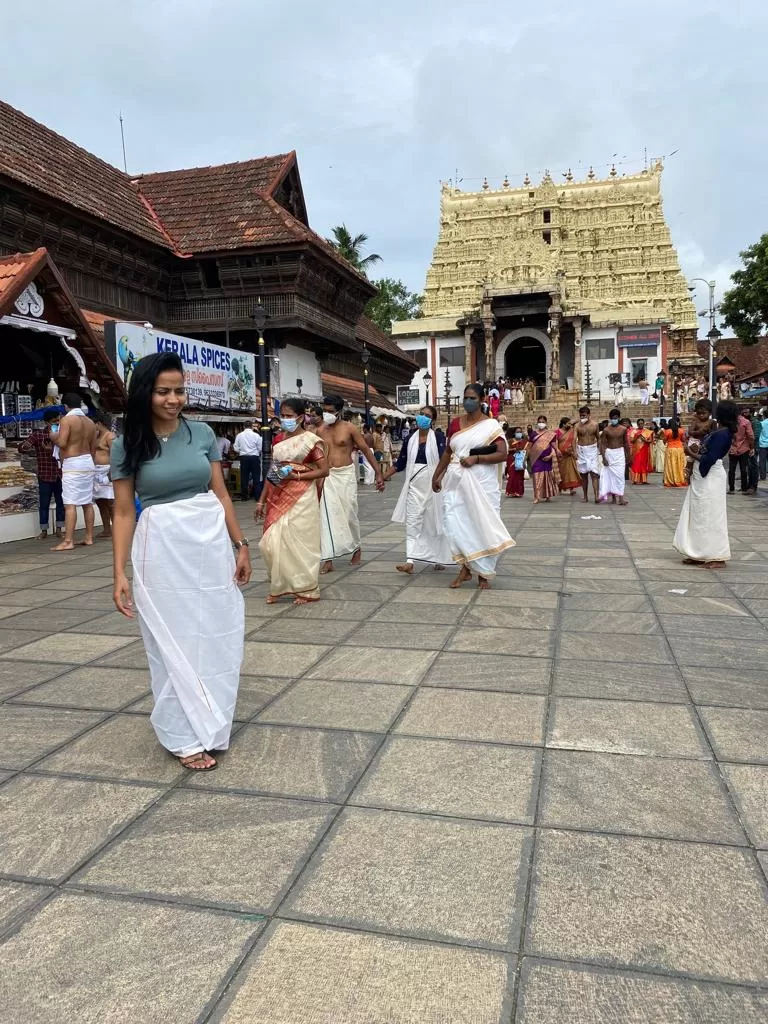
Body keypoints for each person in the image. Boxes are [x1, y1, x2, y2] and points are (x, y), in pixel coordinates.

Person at [111, 352, 250, 772]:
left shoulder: (203, 433)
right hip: (161, 550)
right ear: (145, 393)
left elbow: (222, 494)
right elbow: (123, 511)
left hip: (207, 546)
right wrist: (118, 571)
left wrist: (240, 544)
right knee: (170, 641)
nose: (174, 399)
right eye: (163, 391)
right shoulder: (127, 442)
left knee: (214, 633)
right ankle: (181, 733)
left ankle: (211, 719)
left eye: (179, 390)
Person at [431, 384, 514, 588]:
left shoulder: (491, 425)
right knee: (456, 523)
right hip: (457, 482)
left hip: (482, 482)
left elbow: (502, 454)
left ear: (482, 399)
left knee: (481, 524)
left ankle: (484, 574)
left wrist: (476, 458)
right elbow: (448, 453)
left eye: (473, 398)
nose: (468, 402)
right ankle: (466, 569)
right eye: (466, 398)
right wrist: (437, 475)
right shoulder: (456, 424)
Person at [255, 397, 329, 604]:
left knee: (299, 542)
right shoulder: (278, 440)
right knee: (271, 542)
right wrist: (261, 500)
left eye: (289, 416)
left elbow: (324, 470)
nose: (285, 420)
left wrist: (296, 476)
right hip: (280, 493)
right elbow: (275, 471)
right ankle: (279, 586)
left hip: (302, 495)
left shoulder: (310, 440)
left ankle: (306, 589)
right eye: (282, 416)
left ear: (299, 417)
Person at [317, 394, 384, 573]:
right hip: (327, 476)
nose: (326, 414)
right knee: (327, 516)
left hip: (345, 475)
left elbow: (366, 451)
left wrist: (378, 473)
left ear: (339, 411)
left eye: (330, 411)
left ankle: (356, 547)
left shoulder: (350, 428)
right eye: (324, 410)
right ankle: (328, 558)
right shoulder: (320, 430)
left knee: (348, 513)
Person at [386, 405, 451, 573]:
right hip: (414, 486)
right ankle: (410, 561)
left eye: (427, 415)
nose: (422, 417)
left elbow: (445, 461)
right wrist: (382, 476)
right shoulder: (410, 439)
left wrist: (439, 479)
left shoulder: (438, 437)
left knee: (435, 521)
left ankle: (438, 557)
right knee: (413, 521)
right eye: (421, 414)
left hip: (433, 485)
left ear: (433, 420)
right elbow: (400, 463)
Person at [673, 400, 736, 569]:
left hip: (710, 477)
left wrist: (689, 453)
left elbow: (709, 458)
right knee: (699, 515)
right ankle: (698, 552)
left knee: (712, 516)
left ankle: (717, 555)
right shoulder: (718, 430)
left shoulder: (722, 434)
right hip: (702, 477)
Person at [50, 392, 97, 551]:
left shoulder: (66, 420)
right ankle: (89, 537)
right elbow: (93, 448)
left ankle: (68, 540)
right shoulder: (90, 422)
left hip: (73, 463)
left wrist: (53, 436)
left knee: (70, 504)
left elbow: (62, 443)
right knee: (87, 503)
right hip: (87, 462)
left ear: (65, 406)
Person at [19, 408, 64, 540]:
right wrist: (26, 446)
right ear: (46, 422)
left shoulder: (62, 434)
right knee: (43, 503)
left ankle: (59, 529)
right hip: (45, 474)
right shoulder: (38, 435)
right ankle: (44, 530)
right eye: (53, 422)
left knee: (61, 503)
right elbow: (22, 447)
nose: (56, 424)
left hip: (59, 474)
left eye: (57, 421)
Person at [598, 409, 630, 505]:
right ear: (610, 418)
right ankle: (613, 499)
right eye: (612, 418)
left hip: (620, 453)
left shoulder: (623, 429)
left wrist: (628, 455)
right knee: (610, 476)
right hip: (609, 453)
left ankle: (621, 498)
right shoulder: (606, 430)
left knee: (620, 476)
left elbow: (625, 443)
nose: (614, 420)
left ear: (619, 418)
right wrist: (603, 458)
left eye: (615, 418)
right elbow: (602, 444)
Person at [92, 409, 116, 538]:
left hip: (107, 470)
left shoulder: (110, 436)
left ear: (99, 423)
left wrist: (111, 474)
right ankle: (107, 529)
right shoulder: (96, 436)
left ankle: (116, 528)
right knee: (100, 502)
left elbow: (115, 455)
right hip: (96, 471)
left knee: (111, 502)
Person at [528, 415, 559, 504]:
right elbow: (529, 446)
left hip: (547, 459)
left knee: (547, 477)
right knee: (536, 477)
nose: (541, 423)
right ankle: (536, 497)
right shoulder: (533, 433)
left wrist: (552, 454)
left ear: (546, 423)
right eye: (540, 421)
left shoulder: (550, 434)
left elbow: (553, 445)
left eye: (543, 421)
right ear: (537, 423)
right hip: (536, 459)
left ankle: (547, 496)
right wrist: (530, 456)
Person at [576, 407, 601, 503]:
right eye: (581, 415)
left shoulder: (595, 424)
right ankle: (585, 496)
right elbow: (574, 439)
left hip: (592, 450)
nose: (582, 417)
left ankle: (596, 496)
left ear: (589, 415)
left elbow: (598, 438)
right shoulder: (577, 426)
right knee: (584, 475)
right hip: (581, 450)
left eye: (584, 415)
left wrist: (599, 449)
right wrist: (574, 451)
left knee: (594, 474)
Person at [233, 421, 263, 502]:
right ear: (251, 426)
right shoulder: (256, 435)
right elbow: (260, 448)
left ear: (244, 426)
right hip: (254, 458)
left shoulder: (239, 435)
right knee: (256, 477)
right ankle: (257, 497)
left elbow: (235, 448)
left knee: (244, 477)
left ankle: (244, 497)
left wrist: (241, 450)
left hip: (244, 458)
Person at [727, 408, 754, 495]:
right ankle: (744, 488)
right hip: (744, 449)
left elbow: (727, 435)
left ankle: (731, 489)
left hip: (732, 449)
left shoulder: (730, 422)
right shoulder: (746, 422)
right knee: (743, 469)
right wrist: (752, 447)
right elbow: (750, 436)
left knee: (732, 469)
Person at [556, 416, 580, 494]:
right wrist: (557, 450)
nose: (570, 425)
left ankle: (571, 488)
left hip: (569, 454)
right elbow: (555, 443)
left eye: (570, 423)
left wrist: (574, 452)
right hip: (561, 455)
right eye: (568, 423)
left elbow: (573, 442)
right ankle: (560, 488)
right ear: (563, 424)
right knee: (561, 472)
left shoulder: (571, 431)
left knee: (571, 471)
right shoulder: (557, 431)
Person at [505, 426, 529, 497]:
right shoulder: (510, 441)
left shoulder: (524, 441)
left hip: (521, 460)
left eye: (520, 432)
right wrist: (513, 449)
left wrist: (525, 459)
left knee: (520, 476)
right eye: (517, 432)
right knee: (512, 476)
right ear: (514, 433)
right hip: (512, 459)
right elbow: (506, 450)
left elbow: (526, 451)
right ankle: (511, 491)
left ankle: (519, 492)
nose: (519, 433)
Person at [629, 417, 654, 484]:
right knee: (637, 464)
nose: (640, 425)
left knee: (644, 465)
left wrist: (646, 440)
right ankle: (636, 480)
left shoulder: (647, 431)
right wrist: (636, 436)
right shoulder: (634, 431)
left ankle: (644, 480)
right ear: (637, 424)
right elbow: (631, 441)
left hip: (644, 450)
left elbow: (651, 440)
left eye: (642, 424)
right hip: (636, 451)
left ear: (643, 424)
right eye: (639, 424)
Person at [663, 419, 687, 487]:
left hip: (670, 449)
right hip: (679, 449)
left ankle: (671, 480)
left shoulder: (667, 431)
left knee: (670, 465)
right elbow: (683, 439)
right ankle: (680, 479)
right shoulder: (681, 430)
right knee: (679, 464)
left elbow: (664, 441)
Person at [758, 408, 768, 481]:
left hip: (763, 444)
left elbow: (758, 433)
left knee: (762, 461)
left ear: (764, 415)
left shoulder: (761, 423)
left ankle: (763, 476)